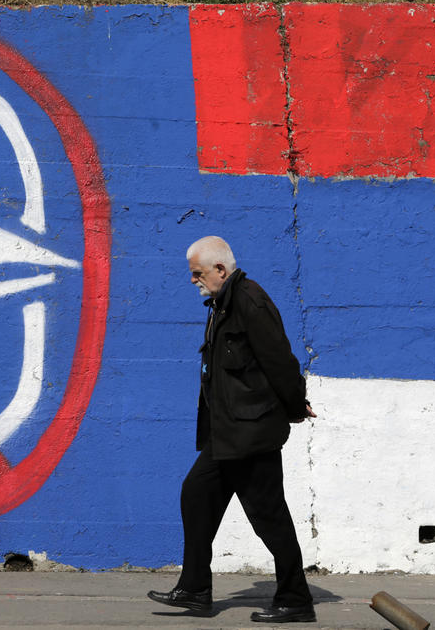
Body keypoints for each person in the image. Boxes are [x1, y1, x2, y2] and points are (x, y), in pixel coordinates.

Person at [148, 236, 317, 624]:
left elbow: (280, 360)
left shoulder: (249, 301)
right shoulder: (222, 304)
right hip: (227, 436)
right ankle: (194, 589)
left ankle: (295, 599)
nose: (194, 280)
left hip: (251, 434)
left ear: (220, 270)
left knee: (268, 517)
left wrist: (294, 406)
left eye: (198, 273)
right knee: (196, 495)